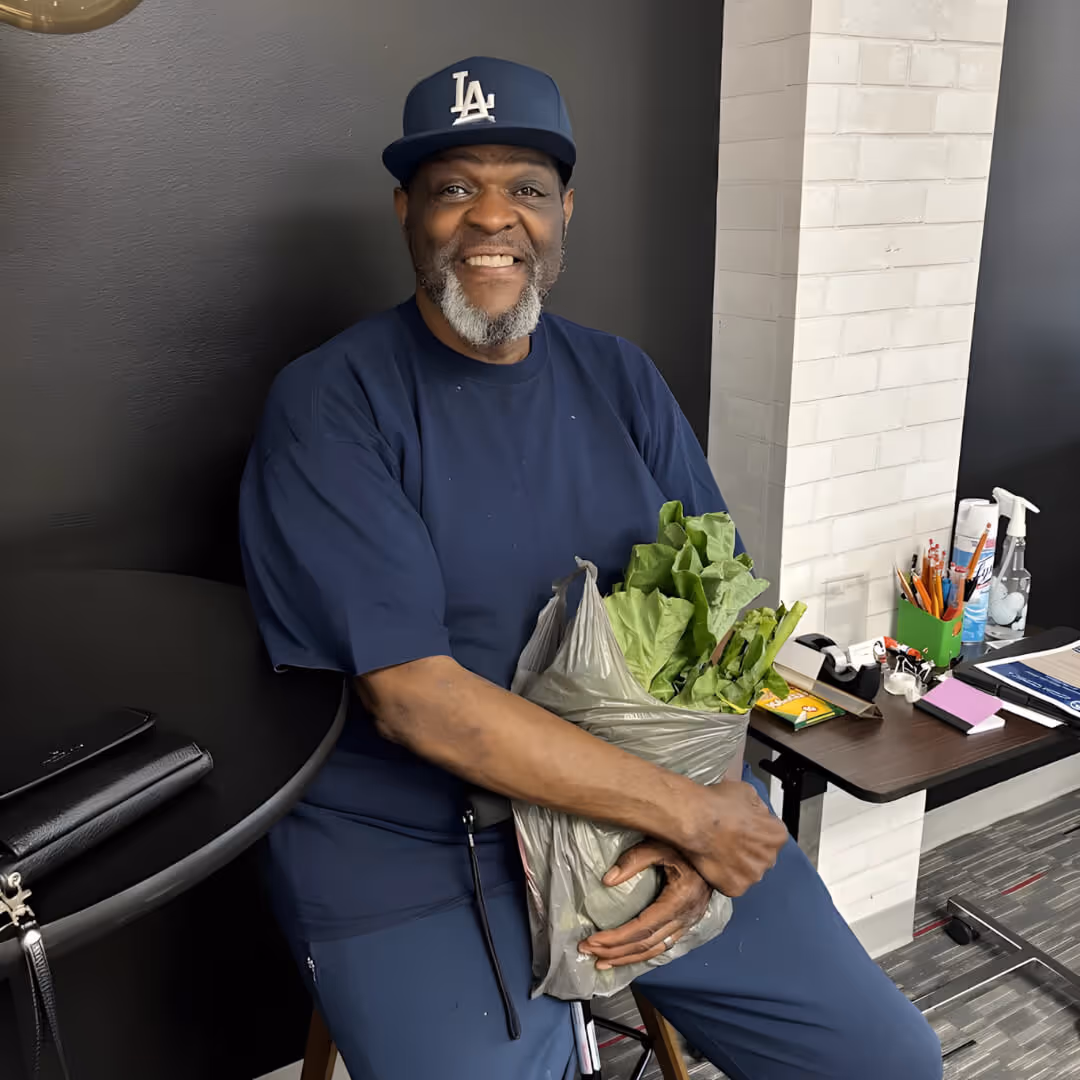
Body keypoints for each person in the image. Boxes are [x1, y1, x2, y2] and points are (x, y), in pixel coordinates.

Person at [239, 56, 942, 1080]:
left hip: (650, 809)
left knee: (888, 1063)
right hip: (423, 851)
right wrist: (692, 816)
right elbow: (419, 701)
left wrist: (704, 821)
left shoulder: (620, 378)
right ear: (406, 212)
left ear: (564, 210)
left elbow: (723, 629)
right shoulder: (330, 405)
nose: (492, 218)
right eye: (453, 188)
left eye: (524, 187)